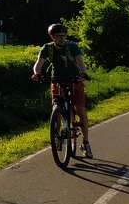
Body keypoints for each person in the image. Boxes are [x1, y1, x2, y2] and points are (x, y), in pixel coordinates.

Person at [31, 22, 93, 158]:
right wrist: (37, 73)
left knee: (80, 111)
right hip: (57, 81)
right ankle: (57, 137)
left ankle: (86, 143)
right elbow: (38, 64)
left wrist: (83, 73)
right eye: (58, 36)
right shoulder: (47, 48)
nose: (61, 38)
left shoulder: (72, 47)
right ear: (52, 37)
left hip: (75, 80)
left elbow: (80, 62)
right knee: (56, 110)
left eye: (63, 35)